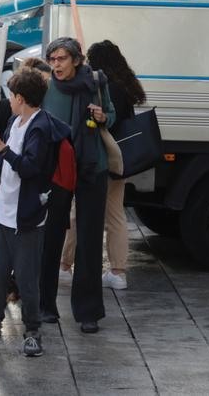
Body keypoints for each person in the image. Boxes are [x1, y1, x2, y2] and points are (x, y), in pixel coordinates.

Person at [0, 68, 69, 358]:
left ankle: (32, 330)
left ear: (20, 98)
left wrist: (0, 148)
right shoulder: (16, 122)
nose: (9, 102)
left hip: (27, 215)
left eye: (12, 97)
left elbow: (29, 167)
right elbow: (3, 159)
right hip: (5, 211)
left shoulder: (39, 128)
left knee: (27, 279)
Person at [39, 37, 115, 334]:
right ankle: (45, 305)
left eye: (61, 59)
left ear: (77, 60)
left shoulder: (96, 81)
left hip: (91, 166)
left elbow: (112, 113)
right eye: (53, 59)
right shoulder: (46, 85)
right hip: (57, 168)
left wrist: (103, 115)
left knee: (90, 238)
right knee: (51, 235)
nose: (56, 65)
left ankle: (88, 312)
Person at [60, 40, 145, 291]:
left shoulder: (103, 87)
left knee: (77, 213)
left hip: (99, 159)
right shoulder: (126, 86)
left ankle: (64, 265)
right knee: (116, 216)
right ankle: (118, 272)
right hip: (119, 159)